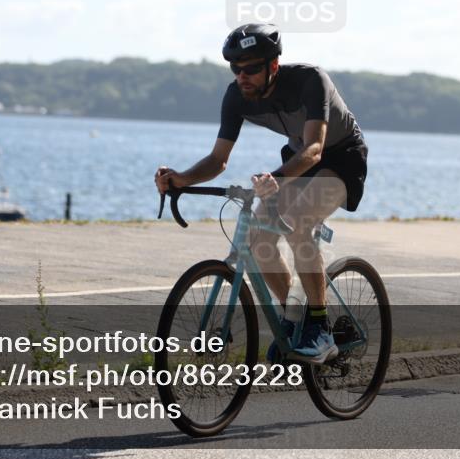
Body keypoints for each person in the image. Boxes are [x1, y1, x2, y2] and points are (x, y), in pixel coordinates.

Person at [154, 23, 368, 362]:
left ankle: (320, 328)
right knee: (258, 238)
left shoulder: (311, 81)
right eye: (236, 68)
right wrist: (182, 178)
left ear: (273, 66)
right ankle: (295, 321)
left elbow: (315, 149)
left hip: (340, 157)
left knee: (298, 223)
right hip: (298, 161)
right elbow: (217, 160)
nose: (242, 76)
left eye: (251, 68)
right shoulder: (236, 95)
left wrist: (277, 179)